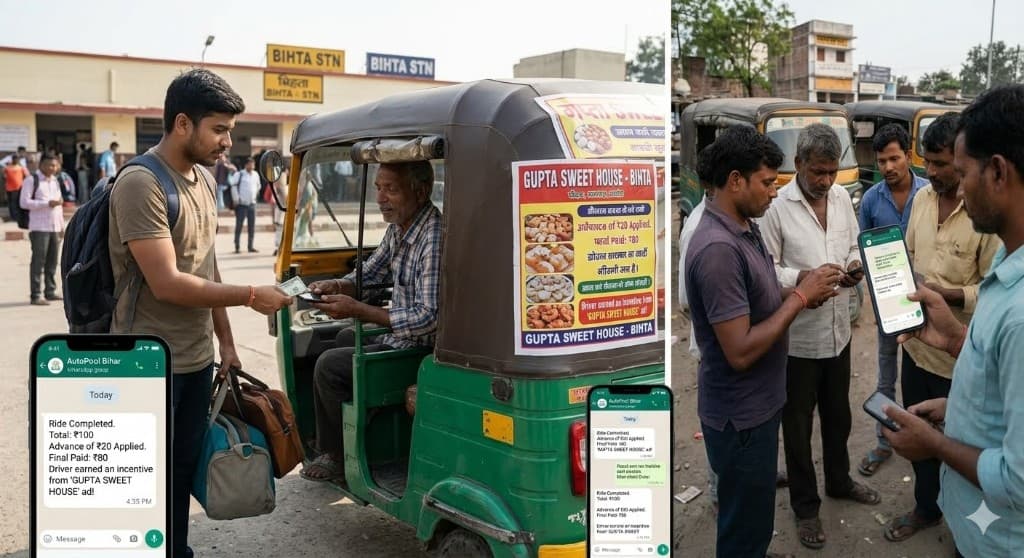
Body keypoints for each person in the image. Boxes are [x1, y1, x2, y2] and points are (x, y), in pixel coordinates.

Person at [106, 69, 292, 558]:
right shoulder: (141, 184)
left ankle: (175, 550)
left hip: (194, 359)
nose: (228, 141)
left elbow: (206, 266)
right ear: (182, 124)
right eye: (219, 129)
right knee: (142, 477)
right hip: (144, 361)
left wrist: (226, 344)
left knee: (183, 465)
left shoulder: (205, 182)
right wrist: (252, 294)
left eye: (230, 130)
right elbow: (167, 283)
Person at [685, 126, 843, 558]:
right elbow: (739, 350)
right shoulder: (717, 248)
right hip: (740, 418)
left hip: (757, 409)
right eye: (767, 182)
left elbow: (760, 296)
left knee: (753, 518)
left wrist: (801, 293)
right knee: (742, 527)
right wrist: (801, 296)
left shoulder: (744, 227)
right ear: (735, 180)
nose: (774, 193)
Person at [882, 88, 1021, 558]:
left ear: (998, 171)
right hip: (925, 345)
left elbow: (1018, 480)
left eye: (962, 173)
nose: (957, 188)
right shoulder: (1010, 260)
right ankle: (931, 507)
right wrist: (959, 340)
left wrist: (938, 447)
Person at [759, 123, 879, 549]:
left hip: (838, 333)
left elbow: (850, 246)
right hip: (798, 341)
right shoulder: (775, 207)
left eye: (832, 172)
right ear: (798, 165)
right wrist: (803, 279)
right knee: (796, 426)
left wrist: (853, 266)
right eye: (818, 173)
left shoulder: (843, 198)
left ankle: (839, 481)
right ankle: (805, 507)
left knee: (838, 417)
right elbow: (765, 271)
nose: (826, 181)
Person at [299, 161, 442, 484]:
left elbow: (428, 318)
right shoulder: (400, 229)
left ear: (419, 192)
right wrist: (337, 286)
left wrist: (360, 309)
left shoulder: (432, 238)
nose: (381, 198)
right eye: (378, 188)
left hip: (420, 352)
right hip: (401, 339)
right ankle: (359, 429)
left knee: (328, 366)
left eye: (390, 189)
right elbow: (370, 273)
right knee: (342, 338)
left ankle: (335, 454)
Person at [856, 123, 930, 477]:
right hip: (888, 309)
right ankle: (883, 442)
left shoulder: (928, 194)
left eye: (894, 158)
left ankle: (929, 443)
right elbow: (867, 255)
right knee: (886, 378)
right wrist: (876, 300)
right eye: (882, 160)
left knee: (924, 377)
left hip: (928, 306)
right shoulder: (871, 200)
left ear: (908, 155)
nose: (887, 167)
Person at [20, 154, 65, 305]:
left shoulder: (55, 181)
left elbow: (58, 206)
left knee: (52, 261)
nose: (53, 168)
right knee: (38, 262)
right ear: (42, 165)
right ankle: (36, 294)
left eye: (55, 165)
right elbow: (24, 202)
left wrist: (61, 226)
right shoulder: (32, 180)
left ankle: (50, 291)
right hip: (39, 227)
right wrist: (46, 203)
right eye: (50, 165)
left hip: (54, 227)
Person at [229, 156, 260, 253]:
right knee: (239, 226)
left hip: (252, 204)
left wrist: (254, 196)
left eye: (253, 164)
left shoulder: (256, 174)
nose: (252, 166)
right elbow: (233, 187)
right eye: (250, 164)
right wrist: (236, 199)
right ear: (246, 165)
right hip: (241, 205)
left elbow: (258, 186)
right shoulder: (240, 174)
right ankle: (237, 246)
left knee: (252, 226)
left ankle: (250, 246)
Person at [5, 152, 29, 221]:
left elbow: (27, 175)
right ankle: (12, 216)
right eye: (14, 158)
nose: (15, 159)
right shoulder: (7, 168)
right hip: (9, 188)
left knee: (15, 203)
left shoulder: (21, 168)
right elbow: (4, 176)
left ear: (18, 159)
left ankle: (15, 217)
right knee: (11, 203)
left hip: (18, 188)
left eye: (17, 158)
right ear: (12, 159)